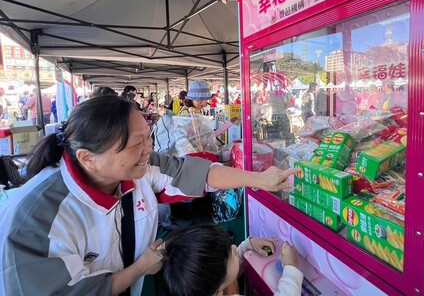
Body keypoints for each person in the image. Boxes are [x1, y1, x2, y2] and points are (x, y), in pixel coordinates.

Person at [0, 95, 297, 296]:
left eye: (149, 137)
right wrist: (140, 268)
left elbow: (194, 174)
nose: (149, 151)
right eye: (136, 143)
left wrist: (259, 179)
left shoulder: (136, 169)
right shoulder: (36, 221)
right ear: (88, 158)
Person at [162, 224, 303, 296]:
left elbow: (227, 274)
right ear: (218, 292)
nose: (235, 247)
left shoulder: (211, 287)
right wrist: (291, 267)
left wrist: (248, 245)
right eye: (231, 254)